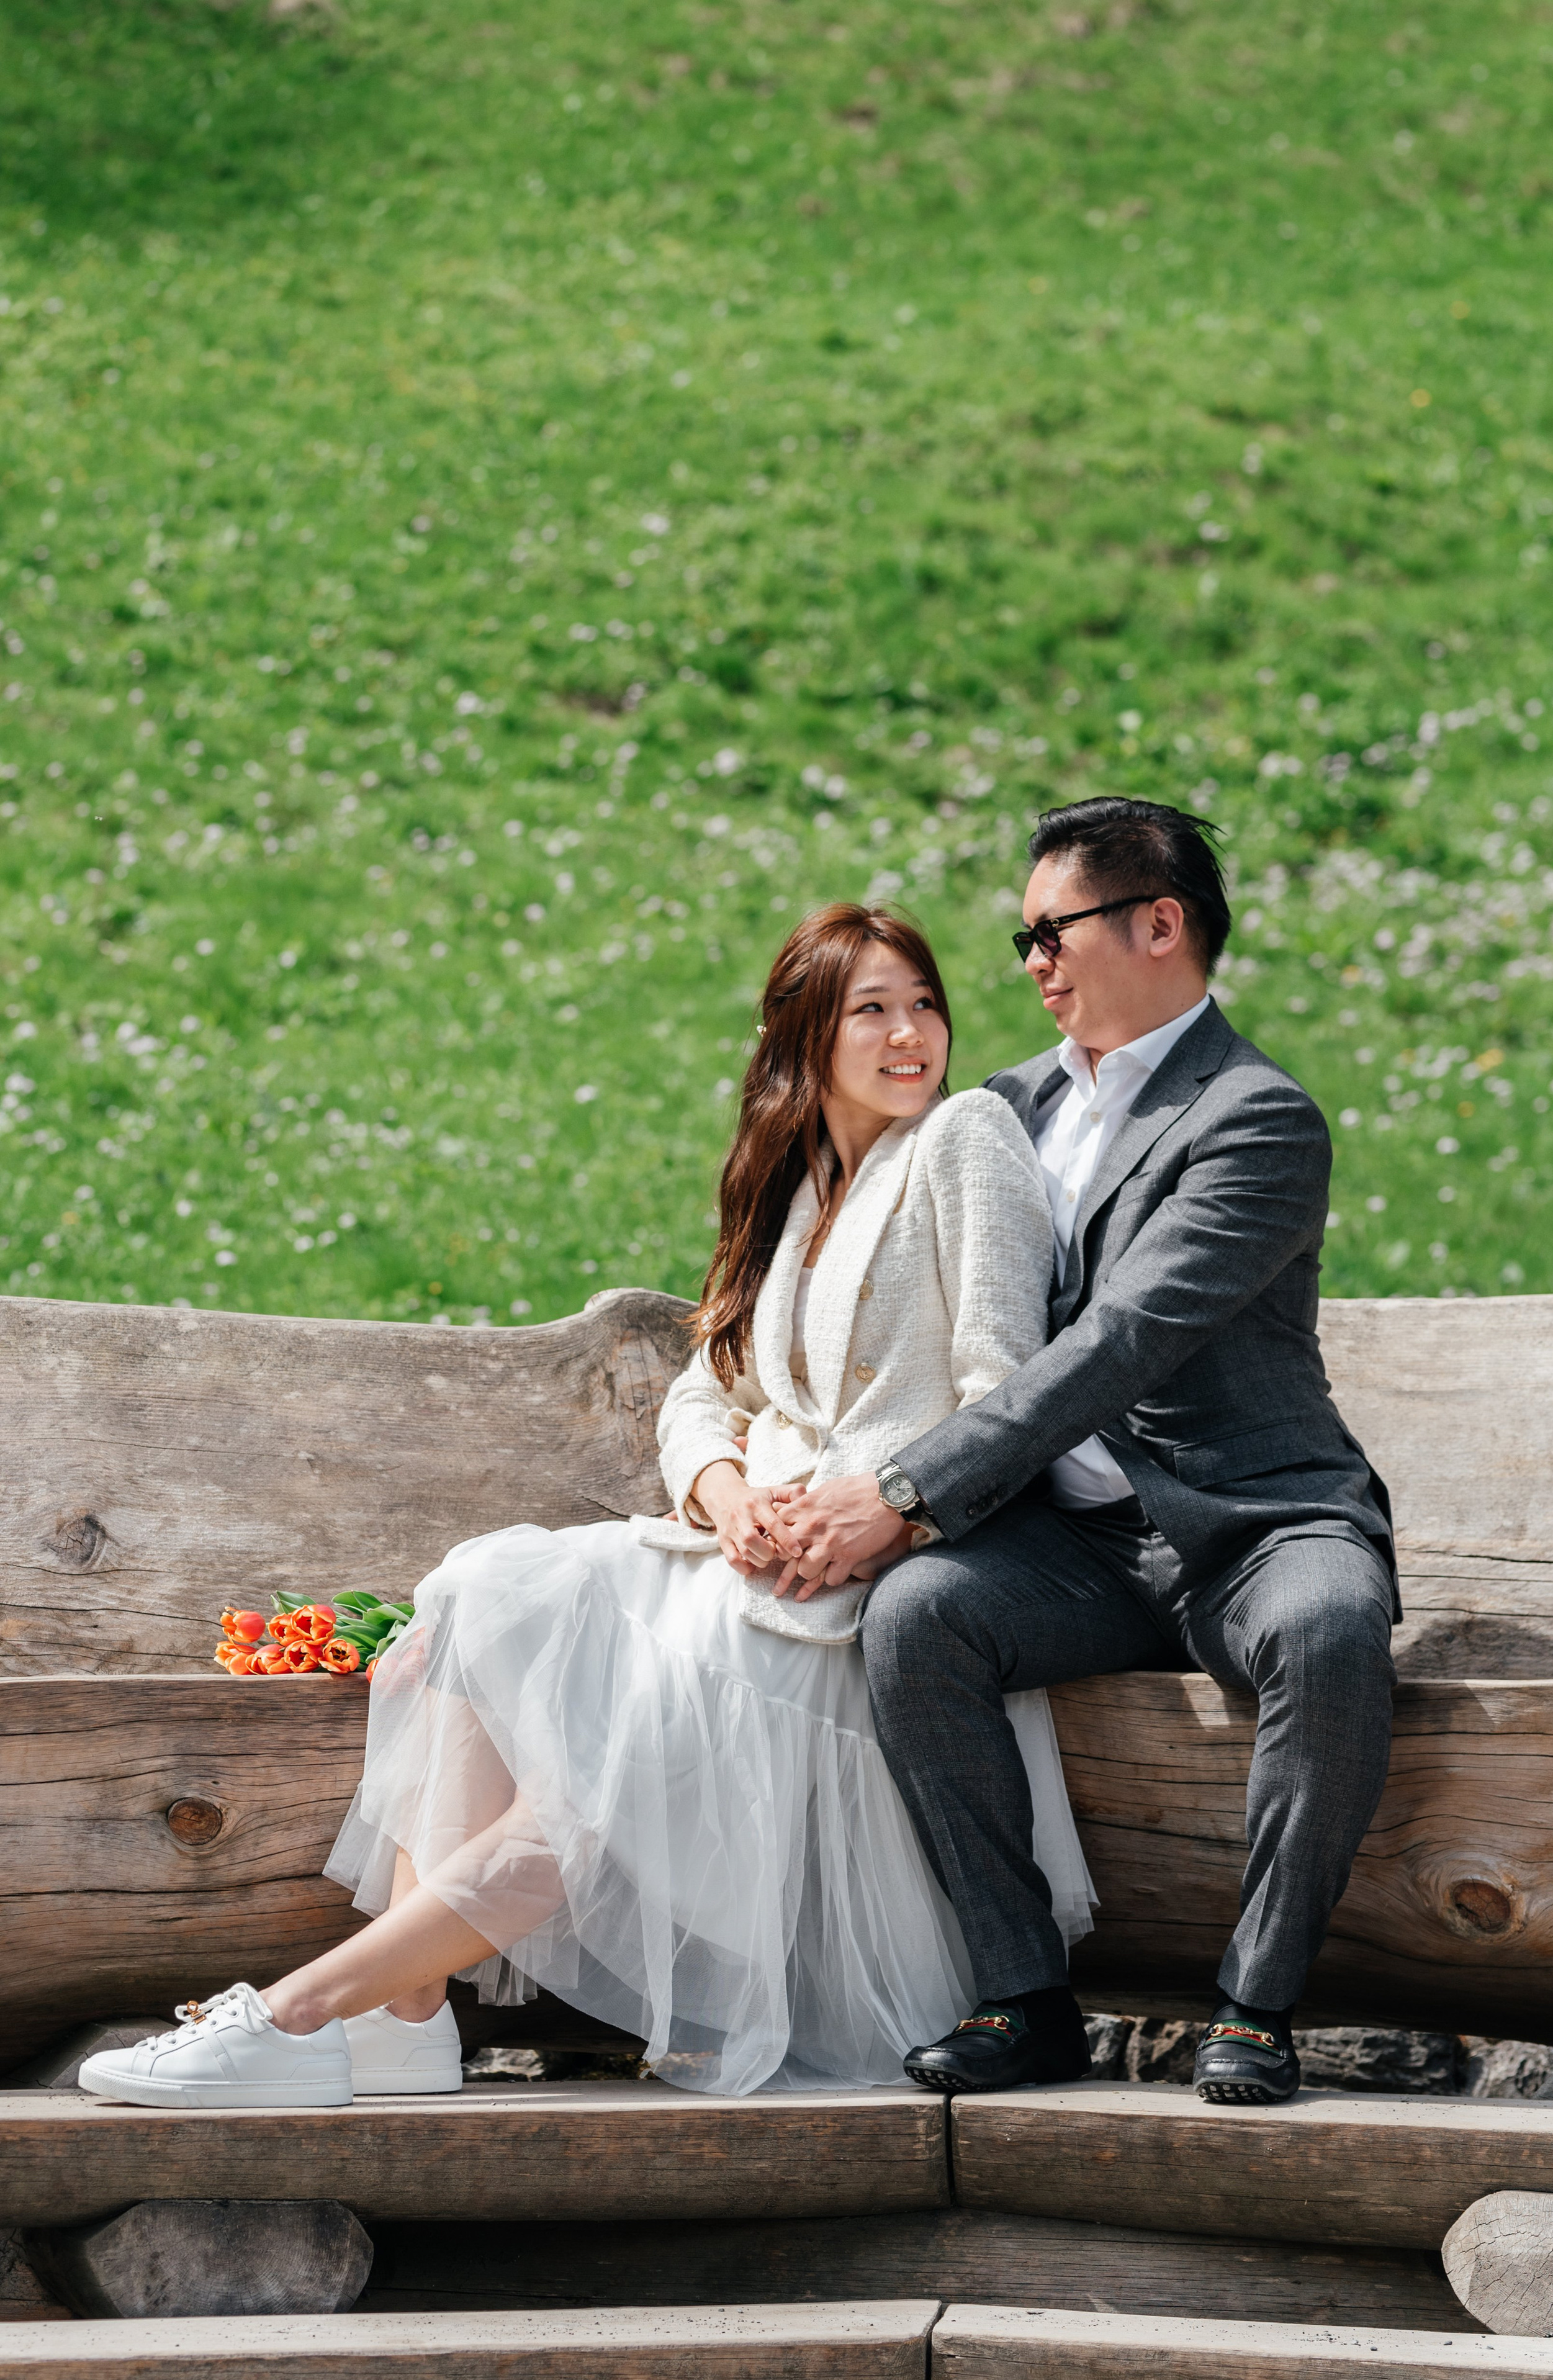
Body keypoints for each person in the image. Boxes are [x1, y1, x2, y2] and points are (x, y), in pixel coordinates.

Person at [77, 903, 1095, 2111]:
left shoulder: (963, 1139)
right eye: (868, 1008)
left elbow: (1004, 1394)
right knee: (472, 1598)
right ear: (802, 1038)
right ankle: (405, 2022)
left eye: (921, 1001)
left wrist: (884, 1508)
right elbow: (701, 1400)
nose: (908, 1031)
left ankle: (299, 2013)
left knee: (598, 1769)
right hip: (746, 1560)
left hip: (853, 1590)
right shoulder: (801, 1190)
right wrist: (726, 1496)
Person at [773, 796, 1398, 2106]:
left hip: (1251, 1524)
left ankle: (1255, 2008)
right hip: (1076, 1550)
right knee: (919, 1619)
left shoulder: (1254, 1117)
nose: (1030, 964)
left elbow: (1120, 1341)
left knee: (1331, 1630)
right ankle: (1024, 2001)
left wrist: (906, 1491)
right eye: (1022, 939)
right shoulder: (998, 1111)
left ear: (1156, 923)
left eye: (1048, 931)